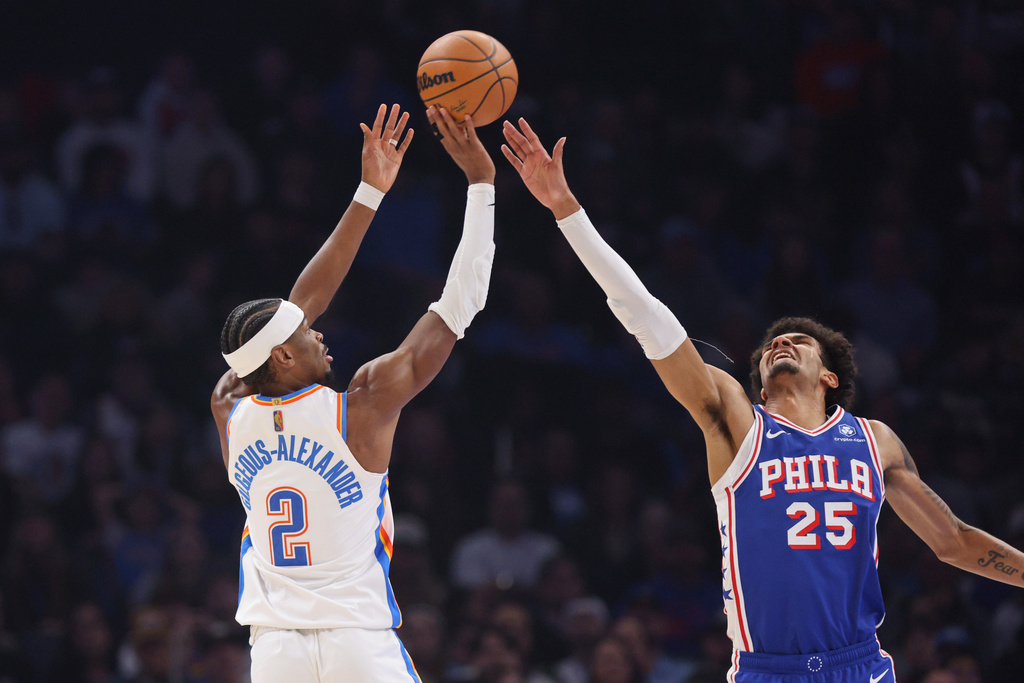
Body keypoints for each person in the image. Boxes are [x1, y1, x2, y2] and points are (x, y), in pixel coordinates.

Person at [500, 117, 1024, 682]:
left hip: (861, 667)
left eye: (800, 340)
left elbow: (953, 542)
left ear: (828, 377)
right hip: (767, 670)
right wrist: (567, 212)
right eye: (772, 343)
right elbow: (648, 318)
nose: (781, 341)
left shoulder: (875, 441)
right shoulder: (739, 425)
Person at [210, 103, 496, 682]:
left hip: (274, 652)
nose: (318, 328)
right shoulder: (360, 403)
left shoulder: (228, 409)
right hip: (356, 645)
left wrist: (369, 192)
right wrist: (482, 185)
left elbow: (284, 324)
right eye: (304, 334)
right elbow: (457, 308)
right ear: (284, 356)